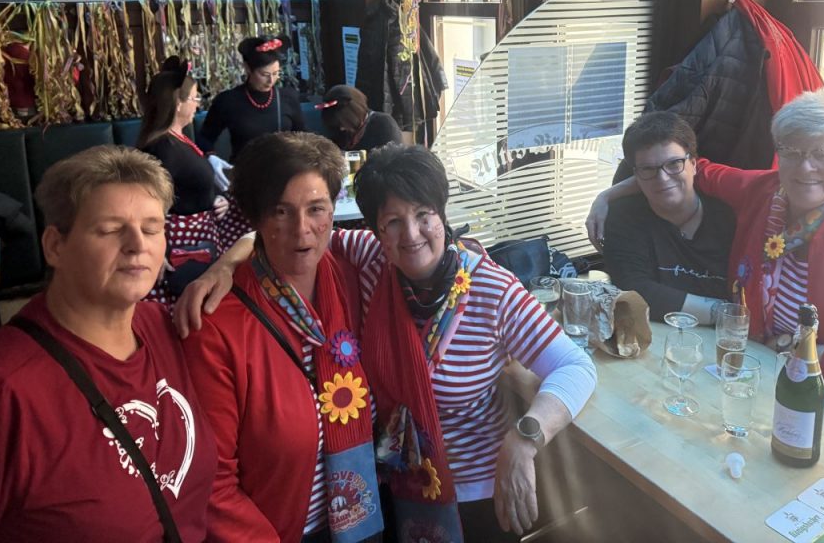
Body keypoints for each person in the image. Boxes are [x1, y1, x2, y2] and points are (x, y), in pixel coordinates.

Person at [178, 144, 598, 543]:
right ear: (376, 229)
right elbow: (290, 236)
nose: (411, 234)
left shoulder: (491, 288)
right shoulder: (373, 261)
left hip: (479, 492)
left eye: (424, 215)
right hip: (393, 487)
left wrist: (524, 440)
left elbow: (575, 366)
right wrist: (223, 265)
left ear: (442, 214)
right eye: (393, 221)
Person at [589, 90, 824, 409]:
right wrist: (607, 196)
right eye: (792, 152)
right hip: (769, 372)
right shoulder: (765, 191)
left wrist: (786, 348)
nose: (805, 167)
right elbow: (684, 171)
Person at [0, 146, 217, 541]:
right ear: (55, 246)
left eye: (152, 228)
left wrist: (225, 267)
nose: (137, 245)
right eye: (109, 229)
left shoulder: (162, 326)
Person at [180, 132, 384, 543]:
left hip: (369, 517)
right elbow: (212, 484)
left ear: (334, 209)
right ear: (256, 217)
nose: (302, 230)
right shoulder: (217, 326)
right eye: (281, 211)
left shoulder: (353, 274)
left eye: (316, 209)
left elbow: (437, 253)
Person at [589, 112, 736, 324]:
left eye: (674, 164)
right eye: (648, 169)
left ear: (694, 164)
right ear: (636, 175)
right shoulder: (623, 218)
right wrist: (727, 313)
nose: (663, 178)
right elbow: (633, 292)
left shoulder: (731, 218)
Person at [138, 57, 234, 301]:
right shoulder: (162, 149)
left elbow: (190, 184)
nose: (197, 105)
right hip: (179, 246)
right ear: (178, 104)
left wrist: (216, 199)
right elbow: (148, 205)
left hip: (201, 238)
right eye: (194, 99)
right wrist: (155, 250)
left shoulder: (179, 140)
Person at [196, 36, 304, 161]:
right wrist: (212, 158)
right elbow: (204, 138)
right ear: (248, 68)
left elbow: (303, 136)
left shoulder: (288, 97)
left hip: (282, 167)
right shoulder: (228, 100)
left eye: (276, 74)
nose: (271, 81)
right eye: (264, 74)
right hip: (243, 169)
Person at [320, 84, 402, 152]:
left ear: (353, 113)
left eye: (342, 123)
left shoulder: (384, 125)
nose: (341, 128)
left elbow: (392, 160)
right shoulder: (340, 132)